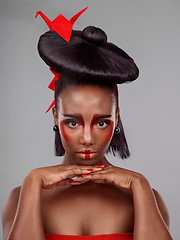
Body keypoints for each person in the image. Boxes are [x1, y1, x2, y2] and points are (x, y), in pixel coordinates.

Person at [2, 7, 173, 240]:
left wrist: (140, 184)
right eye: (73, 123)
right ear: (55, 116)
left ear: (116, 118)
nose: (87, 138)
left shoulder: (142, 195)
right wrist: (33, 182)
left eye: (101, 123)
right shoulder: (22, 196)